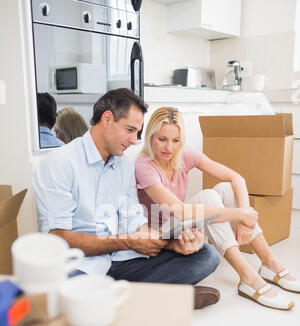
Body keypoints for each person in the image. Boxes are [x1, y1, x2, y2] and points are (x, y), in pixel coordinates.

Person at [33, 89, 220, 309]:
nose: (134, 141)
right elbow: (59, 239)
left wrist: (172, 244)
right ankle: (155, 298)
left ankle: (125, 300)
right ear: (107, 119)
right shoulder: (59, 163)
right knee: (58, 287)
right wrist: (126, 242)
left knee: (206, 255)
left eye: (137, 132)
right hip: (79, 266)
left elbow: (135, 224)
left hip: (120, 261)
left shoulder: (122, 165)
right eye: (130, 130)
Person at [135, 106, 300, 310]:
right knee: (208, 197)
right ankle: (248, 278)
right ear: (150, 137)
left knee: (226, 188)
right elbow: (178, 210)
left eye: (175, 140)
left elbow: (236, 178)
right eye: (162, 139)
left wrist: (244, 218)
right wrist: (240, 213)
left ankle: (270, 263)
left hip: (182, 227)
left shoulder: (184, 155)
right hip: (159, 235)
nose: (169, 147)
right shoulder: (144, 165)